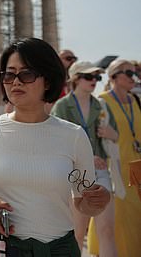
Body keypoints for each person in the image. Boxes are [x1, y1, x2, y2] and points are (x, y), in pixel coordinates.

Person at [0, 38, 110, 256]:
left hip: (58, 249)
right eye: (9, 75)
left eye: (26, 74)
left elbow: (83, 202)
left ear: (47, 80)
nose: (15, 82)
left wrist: (98, 201)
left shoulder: (73, 135)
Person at [50, 61, 118, 256]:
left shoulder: (100, 105)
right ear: (76, 79)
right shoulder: (62, 106)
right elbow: (56, 142)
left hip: (101, 172)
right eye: (89, 77)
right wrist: (88, 156)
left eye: (97, 77)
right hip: (75, 174)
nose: (94, 81)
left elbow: (116, 137)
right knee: (77, 233)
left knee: (106, 230)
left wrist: (111, 134)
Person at [86, 58, 141, 256]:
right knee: (116, 218)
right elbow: (93, 134)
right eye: (129, 73)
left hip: (137, 166)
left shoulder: (136, 100)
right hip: (115, 167)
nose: (134, 77)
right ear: (113, 77)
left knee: (135, 217)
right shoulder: (102, 101)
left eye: (135, 73)